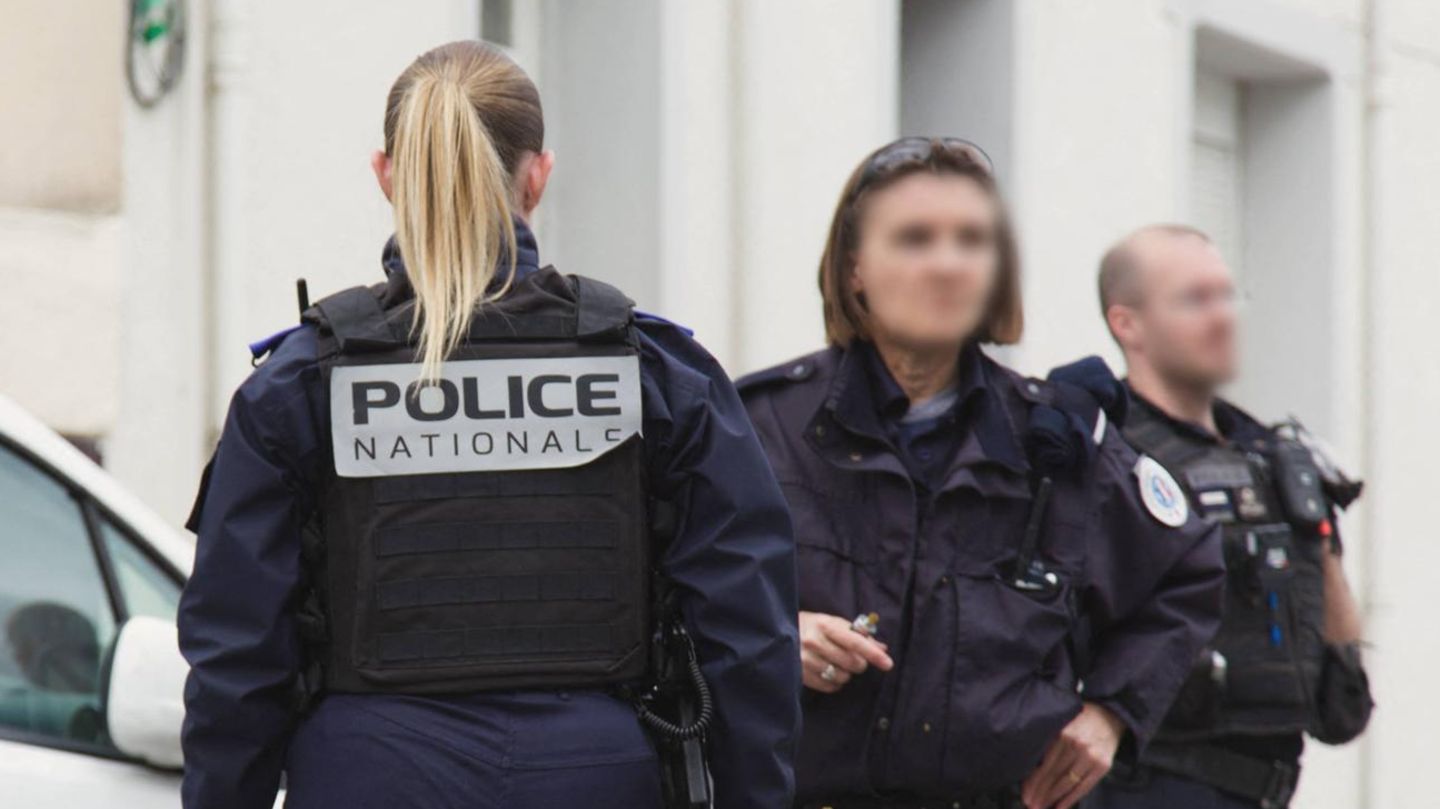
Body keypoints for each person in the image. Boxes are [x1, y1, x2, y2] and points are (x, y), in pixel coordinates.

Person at [178, 40, 801, 809]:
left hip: (372, 775)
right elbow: (750, 635)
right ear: (538, 175)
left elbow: (237, 659)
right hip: (594, 773)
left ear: (385, 175)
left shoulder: (300, 382)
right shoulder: (655, 371)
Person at [736, 137, 1225, 809]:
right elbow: (667, 594)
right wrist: (776, 639)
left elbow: (1189, 567)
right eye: (914, 239)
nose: (947, 264)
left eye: (972, 241)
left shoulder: (1057, 442)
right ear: (854, 269)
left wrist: (1111, 713)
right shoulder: (760, 428)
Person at [1085, 225, 1373, 809]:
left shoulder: (1271, 458)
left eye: (1226, 295)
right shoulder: (1099, 453)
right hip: (1144, 788)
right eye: (1194, 299)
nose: (1222, 317)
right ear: (1127, 324)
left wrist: (1320, 539)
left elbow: (1341, 705)